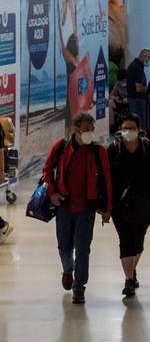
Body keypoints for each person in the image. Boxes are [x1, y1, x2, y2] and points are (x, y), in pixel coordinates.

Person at [43, 113, 112, 304]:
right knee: (64, 246)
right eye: (86, 128)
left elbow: (107, 181)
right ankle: (67, 269)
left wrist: (107, 208)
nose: (90, 132)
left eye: (92, 128)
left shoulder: (99, 152)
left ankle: (79, 286)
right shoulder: (61, 147)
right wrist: (52, 193)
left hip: (86, 209)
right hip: (64, 206)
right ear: (76, 130)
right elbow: (47, 171)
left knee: (83, 248)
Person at [108, 114, 150, 298]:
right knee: (125, 241)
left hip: (144, 202)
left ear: (138, 129)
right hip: (120, 205)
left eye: (131, 128)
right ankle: (128, 279)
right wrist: (105, 205)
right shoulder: (113, 149)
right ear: (120, 130)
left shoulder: (148, 147)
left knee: (138, 242)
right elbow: (105, 178)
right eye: (125, 128)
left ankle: (132, 270)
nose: (128, 132)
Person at [126, 48, 150, 125]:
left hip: (133, 98)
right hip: (137, 100)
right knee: (141, 123)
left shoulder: (134, 65)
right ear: (145, 56)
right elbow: (139, 88)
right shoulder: (137, 67)